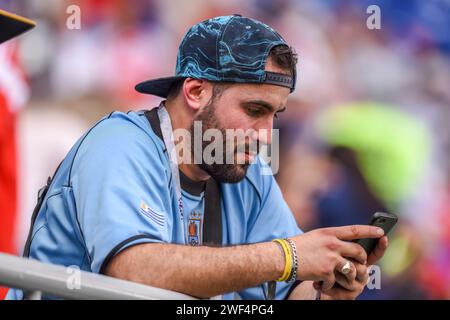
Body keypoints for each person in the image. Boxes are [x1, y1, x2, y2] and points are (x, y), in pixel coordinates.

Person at [7, 15, 387, 300]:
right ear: (195, 91)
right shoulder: (118, 144)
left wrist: (325, 291)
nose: (265, 134)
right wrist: (287, 256)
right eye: (254, 110)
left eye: (275, 115)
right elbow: (134, 273)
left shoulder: (246, 170)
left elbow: (287, 288)